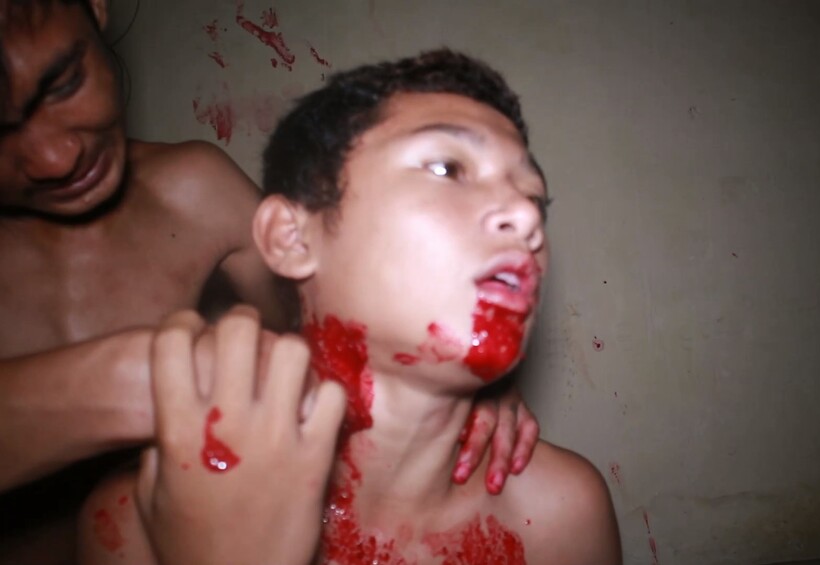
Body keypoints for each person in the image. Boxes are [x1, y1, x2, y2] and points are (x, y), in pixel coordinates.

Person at [0, 1, 540, 562]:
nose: (54, 158)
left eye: (63, 84)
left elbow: (330, 322)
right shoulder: (117, 518)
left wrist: (452, 379)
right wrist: (144, 380)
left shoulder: (195, 191)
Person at [80, 48, 622, 565]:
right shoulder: (140, 521)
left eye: (534, 198)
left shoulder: (562, 516)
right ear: (291, 237)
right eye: (447, 169)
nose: (525, 217)